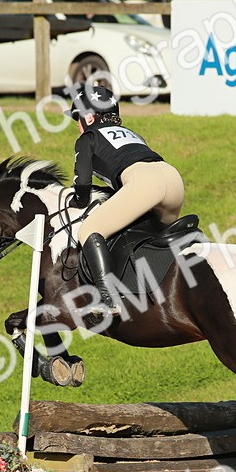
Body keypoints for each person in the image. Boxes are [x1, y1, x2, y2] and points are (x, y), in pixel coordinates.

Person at [66, 84, 185, 315]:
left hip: (143, 181)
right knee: (145, 232)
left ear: (89, 117)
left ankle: (107, 298)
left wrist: (77, 202)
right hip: (173, 179)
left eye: (78, 119)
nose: (78, 127)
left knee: (88, 230)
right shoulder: (132, 134)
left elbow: (82, 185)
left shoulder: (88, 137)